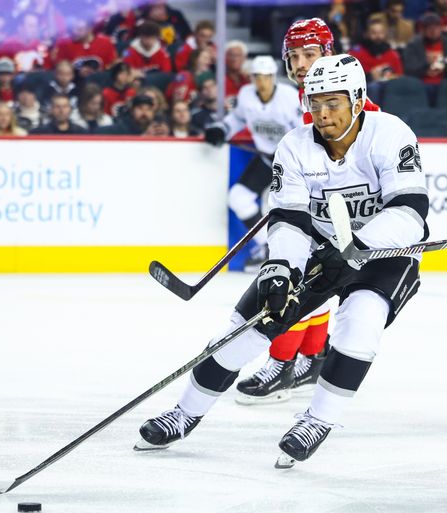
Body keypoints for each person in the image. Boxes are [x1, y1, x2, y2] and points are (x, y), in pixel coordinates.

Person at [136, 54, 429, 467]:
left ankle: (318, 419)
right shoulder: (294, 146)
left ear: (359, 99)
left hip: (384, 253)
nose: (322, 114)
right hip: (319, 249)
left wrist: (356, 248)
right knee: (243, 330)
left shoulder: (390, 133)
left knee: (359, 325)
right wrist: (280, 271)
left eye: (334, 103)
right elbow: (289, 219)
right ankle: (185, 412)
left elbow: (411, 211)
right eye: (315, 103)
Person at [228, 18, 383, 406]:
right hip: (327, 210)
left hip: (349, 216)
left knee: (300, 286)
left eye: (309, 54)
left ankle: (282, 363)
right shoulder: (306, 97)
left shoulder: (344, 97)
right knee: (313, 287)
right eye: (294, 56)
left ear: (328, 54)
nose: (300, 64)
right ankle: (312, 359)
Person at [204, 55, 302, 275]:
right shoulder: (246, 96)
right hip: (268, 159)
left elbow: (305, 131)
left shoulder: (289, 98)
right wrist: (221, 129)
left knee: (287, 208)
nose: (262, 82)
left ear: (273, 77)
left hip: (293, 162)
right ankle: (268, 248)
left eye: (266, 77)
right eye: (257, 77)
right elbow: (236, 119)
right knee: (238, 197)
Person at [402, 12, 447, 86]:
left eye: (436, 28)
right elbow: (409, 70)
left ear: (441, 29)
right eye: (430, 28)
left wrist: (443, 66)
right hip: (420, 85)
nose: (433, 32)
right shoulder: (413, 45)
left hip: (446, 85)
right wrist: (426, 64)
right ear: (423, 30)